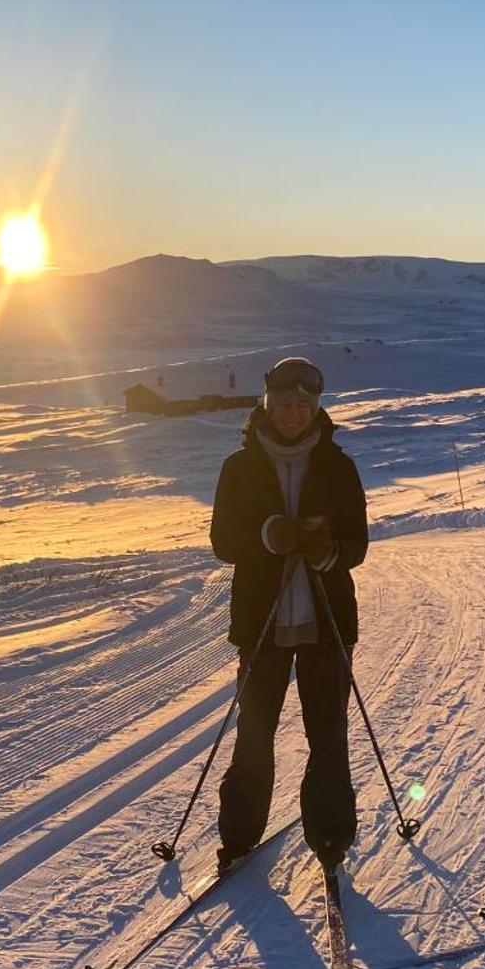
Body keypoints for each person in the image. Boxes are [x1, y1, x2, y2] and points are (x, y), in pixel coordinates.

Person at [209, 356, 369, 874]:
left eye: (303, 405)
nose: (294, 414)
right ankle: (238, 835)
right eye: (284, 405)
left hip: (326, 620)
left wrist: (328, 555)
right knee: (255, 731)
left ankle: (330, 834)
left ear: (315, 408)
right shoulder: (239, 467)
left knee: (328, 732)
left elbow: (357, 544)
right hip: (261, 621)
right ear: (268, 407)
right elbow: (222, 542)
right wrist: (266, 536)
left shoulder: (338, 466)